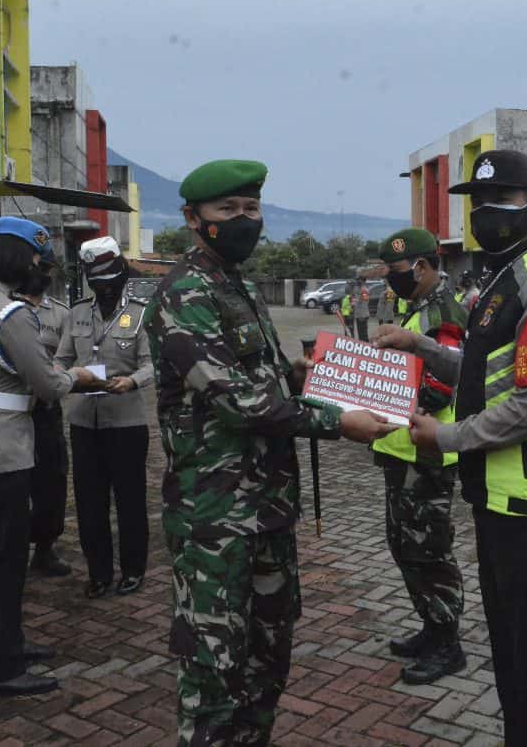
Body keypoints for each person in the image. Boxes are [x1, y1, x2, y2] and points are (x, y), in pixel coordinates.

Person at [147, 159, 394, 745]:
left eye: (251, 209)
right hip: (216, 521)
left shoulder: (240, 284)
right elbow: (237, 403)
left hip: (267, 510)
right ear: (192, 218)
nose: (243, 220)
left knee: (267, 659)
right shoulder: (185, 292)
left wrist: (300, 373)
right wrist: (341, 421)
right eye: (226, 211)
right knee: (214, 672)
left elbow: (257, 378)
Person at [381, 149, 527, 747]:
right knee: (512, 661)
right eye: (478, 203)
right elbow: (484, 373)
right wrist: (419, 346)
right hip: (502, 497)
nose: (485, 214)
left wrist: (446, 436)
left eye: (501, 201)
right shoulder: (506, 276)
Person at [0, 216, 100, 695]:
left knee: (3, 556)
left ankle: (10, 643)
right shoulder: (8, 314)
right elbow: (49, 384)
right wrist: (83, 377)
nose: (40, 268)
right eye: (36, 258)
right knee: (4, 561)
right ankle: (0, 667)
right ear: (19, 258)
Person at [368, 228, 470, 684]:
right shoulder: (417, 308)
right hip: (400, 446)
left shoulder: (446, 311)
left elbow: (444, 380)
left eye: (398, 271)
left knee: (429, 548)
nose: (393, 279)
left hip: (426, 453)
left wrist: (388, 400)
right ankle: (431, 626)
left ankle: (448, 643)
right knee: (404, 543)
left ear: (424, 267)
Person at [54, 237, 154, 597]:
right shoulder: (77, 312)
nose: (105, 289)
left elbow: (151, 362)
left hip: (126, 422)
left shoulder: (141, 313)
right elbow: (63, 357)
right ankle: (98, 571)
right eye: (98, 283)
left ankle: (133, 569)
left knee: (130, 500)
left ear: (122, 276)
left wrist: (132, 381)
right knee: (89, 502)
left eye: (111, 282)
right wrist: (60, 376)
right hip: (83, 422)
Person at [15, 262, 73, 577]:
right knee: (14, 480)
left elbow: (66, 357)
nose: (43, 276)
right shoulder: (4, 308)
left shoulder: (61, 314)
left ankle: (46, 546)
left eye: (47, 269)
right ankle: (13, 546)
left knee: (52, 477)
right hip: (13, 407)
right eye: (37, 268)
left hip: (47, 406)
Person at [351, 275, 371, 340]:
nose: (357, 281)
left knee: (363, 333)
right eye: (357, 280)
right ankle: (362, 343)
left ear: (363, 281)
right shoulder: (356, 288)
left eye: (359, 280)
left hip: (363, 314)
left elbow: (364, 303)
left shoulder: (364, 290)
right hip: (358, 314)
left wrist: (362, 316)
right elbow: (354, 298)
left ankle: (366, 345)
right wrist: (353, 302)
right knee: (360, 333)